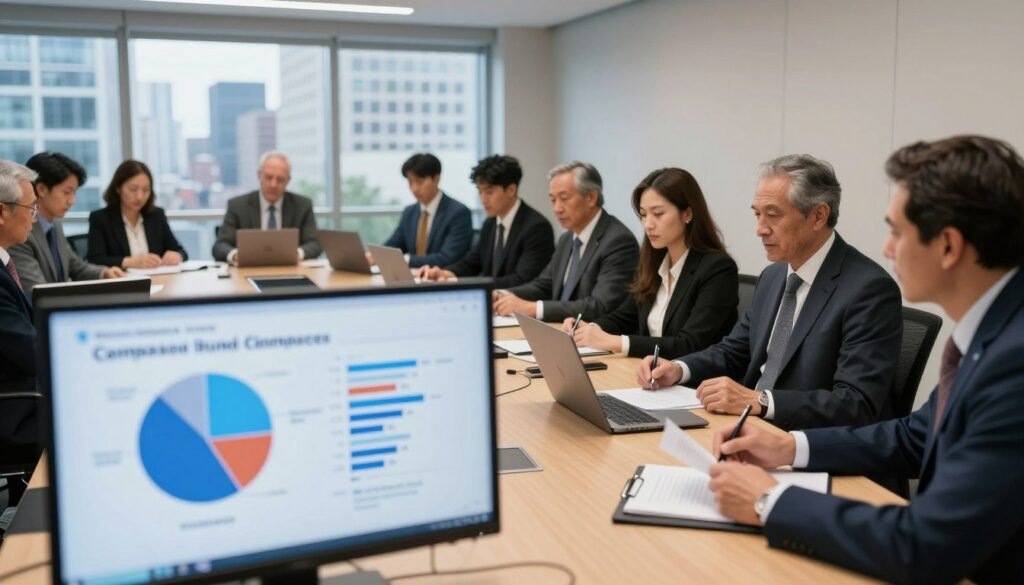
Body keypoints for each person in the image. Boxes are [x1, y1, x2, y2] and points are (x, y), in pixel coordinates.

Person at [707, 135, 1024, 584]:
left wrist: (769, 501)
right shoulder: (995, 330)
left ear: (949, 246)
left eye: (896, 231)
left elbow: (924, 545)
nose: (887, 249)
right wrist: (790, 448)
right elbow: (915, 437)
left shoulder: (1015, 362)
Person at [637, 154, 902, 430]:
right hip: (749, 427)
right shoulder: (773, 276)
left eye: (773, 215)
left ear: (818, 216)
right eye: (757, 214)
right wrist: (678, 369)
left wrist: (762, 401)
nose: (760, 229)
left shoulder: (868, 290)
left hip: (806, 441)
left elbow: (855, 403)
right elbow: (734, 351)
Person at [563, 168, 738, 358]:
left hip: (693, 376)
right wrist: (589, 328)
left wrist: (616, 342)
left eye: (658, 213)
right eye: (644, 215)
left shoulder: (718, 269)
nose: (648, 224)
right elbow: (625, 316)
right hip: (646, 370)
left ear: (687, 214)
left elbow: (689, 344)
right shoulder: (654, 262)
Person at [493, 161, 639, 322]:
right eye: (553, 200)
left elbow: (598, 305)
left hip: (593, 334)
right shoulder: (567, 238)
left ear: (591, 197)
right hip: (560, 330)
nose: (557, 208)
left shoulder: (618, 241)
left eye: (564, 198)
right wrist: (503, 294)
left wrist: (533, 308)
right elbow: (544, 284)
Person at [417, 154, 554, 287]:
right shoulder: (490, 223)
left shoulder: (536, 228)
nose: (483, 199)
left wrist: (461, 282)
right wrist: (445, 273)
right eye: (480, 191)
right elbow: (472, 263)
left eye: (489, 192)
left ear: (511, 190)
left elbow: (523, 279)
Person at [9, 152, 124, 292]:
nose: (72, 201)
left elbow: (76, 266)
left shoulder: (54, 223)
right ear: (41, 189)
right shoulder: (21, 232)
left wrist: (104, 273)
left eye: (74, 193)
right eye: (67, 192)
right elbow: (36, 292)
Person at [212, 151, 321, 264]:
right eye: (269, 177)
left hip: (290, 269)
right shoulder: (237, 206)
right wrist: (236, 255)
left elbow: (314, 244)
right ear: (259, 175)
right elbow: (220, 246)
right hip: (248, 270)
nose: (273, 184)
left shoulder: (302, 206)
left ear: (288, 180)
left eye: (280, 179)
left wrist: (297, 254)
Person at [0, 160, 40, 455]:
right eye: (31, 208)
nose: (35, 218)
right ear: (2, 212)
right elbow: (32, 352)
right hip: (13, 412)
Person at [87, 160, 188, 269]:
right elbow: (95, 259)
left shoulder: (156, 215)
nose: (140, 196)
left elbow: (180, 251)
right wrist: (131, 262)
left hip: (158, 278)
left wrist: (177, 255)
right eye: (133, 189)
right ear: (118, 188)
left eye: (146, 190)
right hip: (123, 279)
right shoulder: (101, 219)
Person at [380, 153, 472, 269]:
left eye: (419, 182)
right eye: (410, 182)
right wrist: (375, 256)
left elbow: (447, 258)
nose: (414, 188)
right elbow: (392, 246)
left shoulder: (458, 213)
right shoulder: (410, 212)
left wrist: (406, 259)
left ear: (436, 179)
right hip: (412, 276)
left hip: (441, 277)